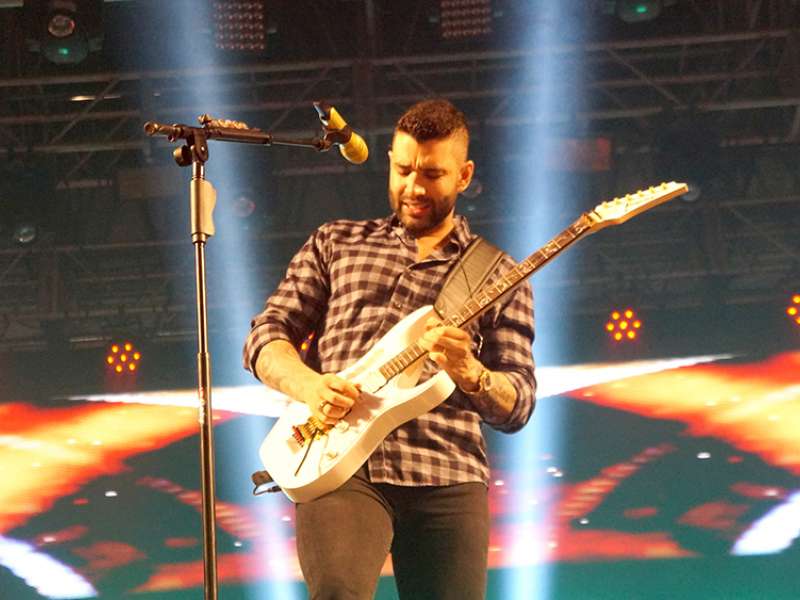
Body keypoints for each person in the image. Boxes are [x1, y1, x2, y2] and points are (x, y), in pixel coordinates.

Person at [243, 98, 536, 600]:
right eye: (403, 170)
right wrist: (310, 386)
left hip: (447, 468)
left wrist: (471, 371)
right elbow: (266, 336)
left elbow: (519, 402)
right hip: (339, 462)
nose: (414, 187)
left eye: (432, 174)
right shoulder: (336, 242)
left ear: (464, 175)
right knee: (338, 593)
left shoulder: (499, 274)